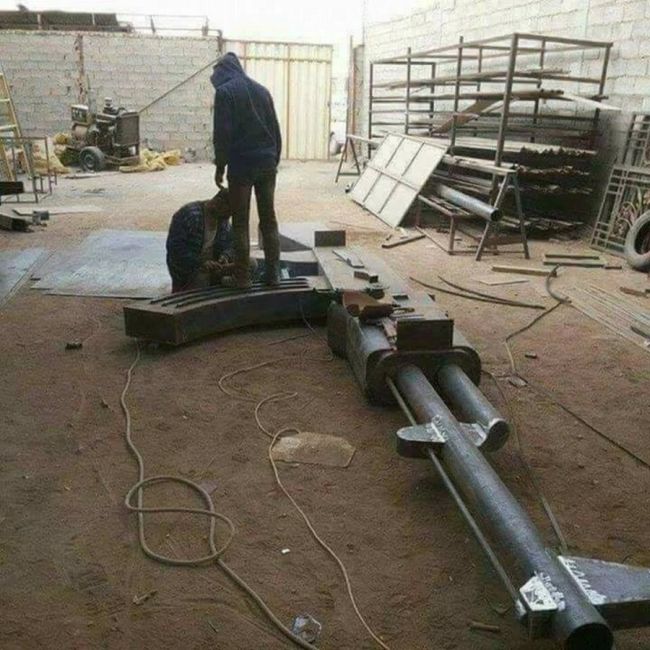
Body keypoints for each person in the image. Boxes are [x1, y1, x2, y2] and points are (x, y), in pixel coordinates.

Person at [211, 52, 282, 289]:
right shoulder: (262, 91)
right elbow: (276, 130)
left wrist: (220, 166)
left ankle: (242, 278)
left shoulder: (225, 93)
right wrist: (273, 160)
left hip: (242, 165)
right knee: (269, 220)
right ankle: (273, 275)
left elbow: (222, 135)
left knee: (240, 222)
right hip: (267, 163)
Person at [166, 190, 235, 293]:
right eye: (228, 212)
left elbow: (230, 244)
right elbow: (175, 248)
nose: (228, 217)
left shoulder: (222, 219)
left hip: (214, 266)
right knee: (202, 280)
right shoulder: (189, 215)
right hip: (191, 268)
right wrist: (201, 263)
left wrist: (225, 256)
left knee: (251, 264)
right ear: (218, 202)